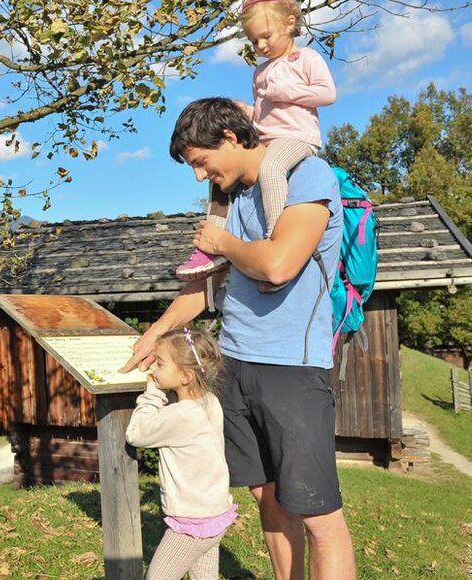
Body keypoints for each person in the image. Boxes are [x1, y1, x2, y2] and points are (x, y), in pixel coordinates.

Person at [122, 97, 356, 580]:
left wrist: (222, 242)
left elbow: (278, 264)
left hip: (292, 368)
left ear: (230, 137)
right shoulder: (235, 200)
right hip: (234, 364)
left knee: (317, 514)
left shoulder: (307, 177)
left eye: (201, 161)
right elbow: (204, 285)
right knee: (267, 497)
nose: (199, 176)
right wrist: (156, 332)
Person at [176, 0, 336, 292]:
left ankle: (274, 239)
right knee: (221, 175)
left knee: (271, 169)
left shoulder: (306, 58)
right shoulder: (259, 73)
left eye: (266, 36)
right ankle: (209, 247)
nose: (261, 46)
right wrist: (246, 112)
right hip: (267, 136)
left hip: (297, 137)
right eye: (254, 41)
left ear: (289, 23)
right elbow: (264, 113)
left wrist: (284, 91)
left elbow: (327, 94)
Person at [125, 328, 236, 580]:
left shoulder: (179, 416)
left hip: (191, 523)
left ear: (185, 376)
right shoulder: (210, 401)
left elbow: (136, 433)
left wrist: (153, 393)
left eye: (160, 363)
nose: (153, 368)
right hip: (215, 514)